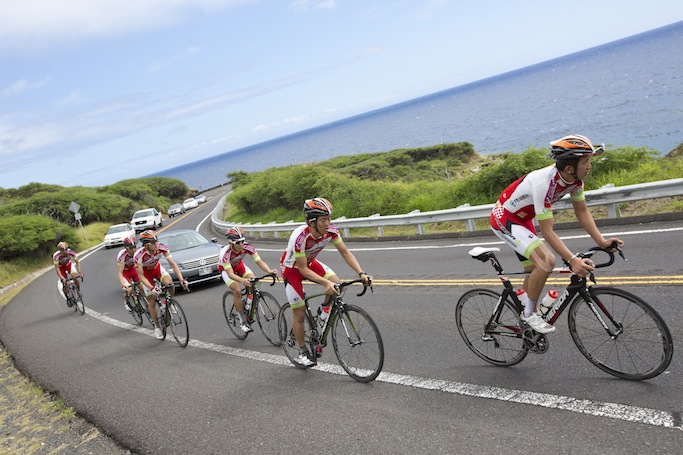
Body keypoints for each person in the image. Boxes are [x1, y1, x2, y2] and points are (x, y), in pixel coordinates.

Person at [490, 134, 624, 334]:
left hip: (524, 219)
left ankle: (525, 314)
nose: (589, 166)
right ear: (569, 168)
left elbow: (582, 212)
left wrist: (602, 241)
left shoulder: (575, 180)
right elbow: (547, 231)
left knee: (534, 269)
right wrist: (571, 260)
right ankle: (528, 315)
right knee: (546, 261)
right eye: (585, 162)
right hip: (505, 218)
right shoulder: (544, 183)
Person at [280, 198, 372, 366]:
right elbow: (302, 270)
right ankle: (302, 352)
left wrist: (361, 272)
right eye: (323, 220)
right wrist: (324, 283)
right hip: (292, 269)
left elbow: (345, 252)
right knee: (299, 313)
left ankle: (322, 315)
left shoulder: (331, 232)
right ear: (311, 222)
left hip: (309, 263)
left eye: (329, 218)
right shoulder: (300, 237)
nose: (328, 223)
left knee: (337, 284)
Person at [218, 226, 279, 333]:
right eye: (238, 243)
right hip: (226, 270)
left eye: (242, 241)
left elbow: (259, 261)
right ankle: (242, 321)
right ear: (231, 243)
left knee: (254, 281)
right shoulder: (225, 253)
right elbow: (231, 274)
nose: (241, 245)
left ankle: (247, 303)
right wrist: (242, 281)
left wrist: (269, 271)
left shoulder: (247, 247)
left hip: (239, 266)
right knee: (237, 290)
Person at [133, 230, 189, 339]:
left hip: (157, 269)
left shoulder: (162, 248)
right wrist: (151, 287)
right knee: (152, 300)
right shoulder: (138, 255)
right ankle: (157, 327)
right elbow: (141, 276)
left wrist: (182, 280)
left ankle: (168, 303)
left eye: (156, 241)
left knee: (170, 284)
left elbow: (172, 264)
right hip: (146, 275)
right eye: (154, 243)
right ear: (146, 245)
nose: (156, 244)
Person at [117, 236, 149, 313]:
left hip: (135, 271)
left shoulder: (138, 252)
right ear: (126, 248)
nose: (134, 250)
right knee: (129, 289)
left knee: (143, 289)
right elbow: (120, 272)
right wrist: (123, 285)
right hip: (125, 272)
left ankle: (147, 308)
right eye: (131, 248)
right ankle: (126, 301)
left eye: (134, 247)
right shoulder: (122, 256)